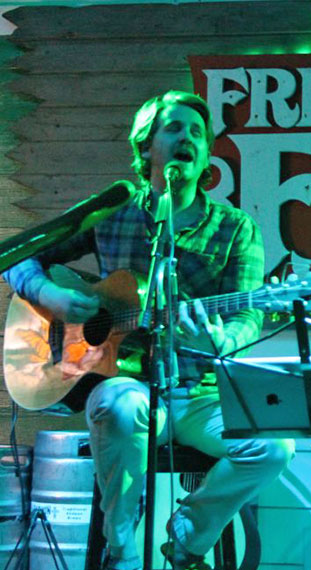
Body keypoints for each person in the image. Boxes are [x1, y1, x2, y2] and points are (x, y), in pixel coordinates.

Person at [2, 91, 295, 570]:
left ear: (206, 155)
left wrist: (219, 341)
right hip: (128, 385)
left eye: (197, 133)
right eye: (173, 128)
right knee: (120, 405)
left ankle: (187, 537)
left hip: (201, 392)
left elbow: (248, 318)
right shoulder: (111, 213)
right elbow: (19, 257)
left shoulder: (236, 229)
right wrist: (52, 296)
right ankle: (122, 551)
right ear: (146, 146)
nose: (187, 139)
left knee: (274, 446)